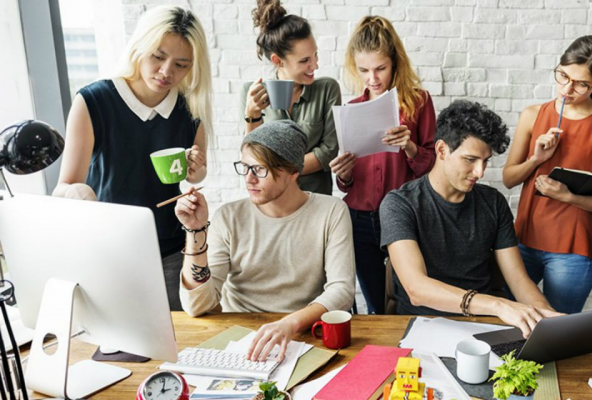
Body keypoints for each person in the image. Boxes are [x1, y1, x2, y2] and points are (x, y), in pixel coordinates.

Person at [54, 5, 213, 311]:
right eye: (157, 56)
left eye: (181, 65)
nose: (167, 72)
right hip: (109, 253)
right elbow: (64, 186)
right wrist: (77, 192)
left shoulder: (189, 109)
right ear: (139, 46)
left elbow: (194, 174)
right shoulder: (94, 101)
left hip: (169, 251)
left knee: (177, 344)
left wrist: (197, 171)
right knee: (112, 348)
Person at [176, 120, 355, 361]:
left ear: (293, 171)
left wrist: (289, 324)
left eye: (259, 169)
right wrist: (195, 231)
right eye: (245, 167)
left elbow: (342, 290)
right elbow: (197, 306)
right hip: (240, 341)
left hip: (302, 334)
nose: (248, 179)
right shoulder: (228, 217)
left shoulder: (331, 211)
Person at [380, 100, 560, 338]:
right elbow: (417, 288)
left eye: (485, 161)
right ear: (442, 150)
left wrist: (549, 319)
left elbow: (518, 280)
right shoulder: (400, 204)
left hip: (483, 326)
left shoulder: (493, 202)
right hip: (422, 327)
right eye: (470, 159)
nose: (480, 172)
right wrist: (498, 305)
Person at [502, 35, 592, 314]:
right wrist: (536, 158)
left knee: (556, 332)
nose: (567, 89)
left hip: (573, 252)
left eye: (581, 84)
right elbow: (509, 179)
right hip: (522, 242)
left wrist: (567, 196)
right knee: (508, 324)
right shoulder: (532, 115)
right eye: (563, 76)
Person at [327, 15, 436, 314]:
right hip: (359, 218)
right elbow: (345, 183)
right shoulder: (351, 110)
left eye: (380, 69)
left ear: (395, 62)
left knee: (410, 298)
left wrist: (410, 146)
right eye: (363, 70)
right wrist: (344, 174)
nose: (372, 78)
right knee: (375, 304)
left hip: (404, 215)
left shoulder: (419, 102)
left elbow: (431, 169)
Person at [240, 0, 341, 195]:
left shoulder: (327, 89)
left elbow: (328, 152)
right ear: (278, 60)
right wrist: (252, 114)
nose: (315, 66)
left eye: (315, 56)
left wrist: (276, 169)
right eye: (305, 60)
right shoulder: (251, 93)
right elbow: (253, 159)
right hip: (272, 201)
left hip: (315, 200)